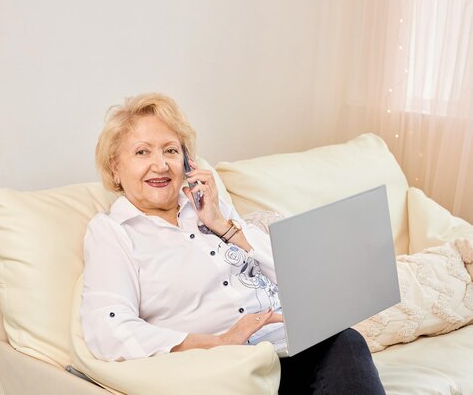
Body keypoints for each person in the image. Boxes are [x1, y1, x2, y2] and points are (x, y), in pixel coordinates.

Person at [80, 93, 386, 394]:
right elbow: (109, 330)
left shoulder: (208, 208)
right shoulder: (112, 232)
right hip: (224, 368)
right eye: (142, 152)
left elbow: (298, 282)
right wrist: (222, 342)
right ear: (115, 168)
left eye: (170, 151)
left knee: (345, 340)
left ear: (187, 162)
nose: (160, 165)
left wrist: (223, 225)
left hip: (284, 348)